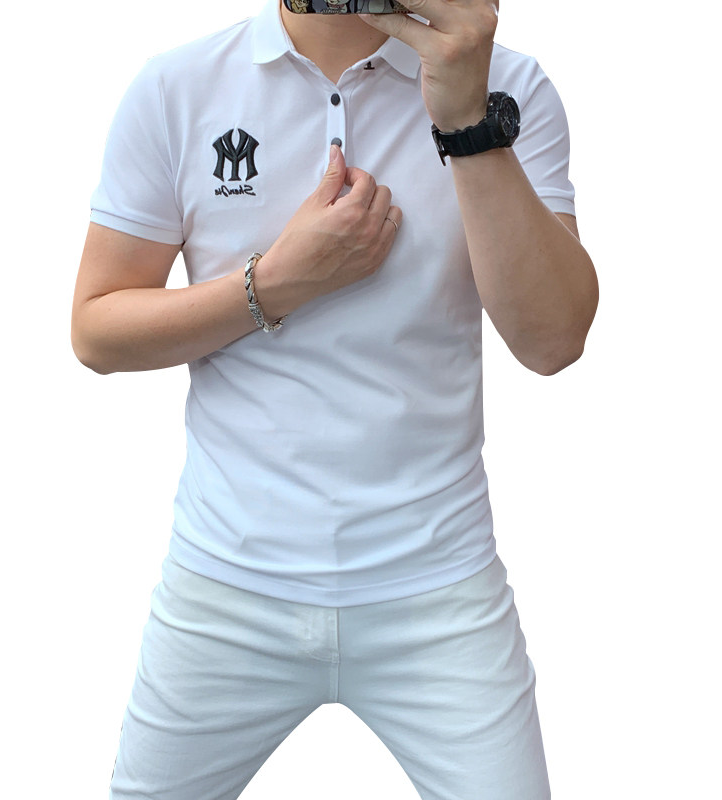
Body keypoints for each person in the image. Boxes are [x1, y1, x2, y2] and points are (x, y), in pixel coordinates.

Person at [71, 1, 599, 798]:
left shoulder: (509, 86)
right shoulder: (178, 87)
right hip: (225, 582)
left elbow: (553, 340)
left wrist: (466, 121)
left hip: (440, 586)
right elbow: (97, 330)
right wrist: (276, 284)